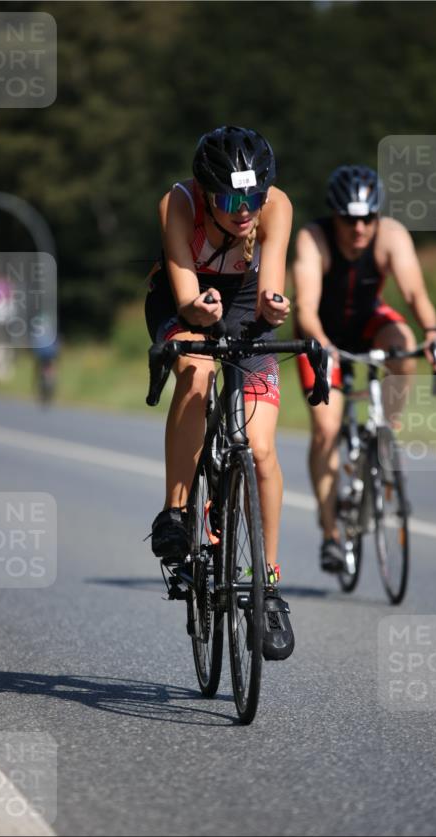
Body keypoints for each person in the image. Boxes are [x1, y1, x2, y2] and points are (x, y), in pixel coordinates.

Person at [145, 126, 296, 659]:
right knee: (196, 370)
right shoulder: (179, 203)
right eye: (232, 199)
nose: (245, 209)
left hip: (243, 302)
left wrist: (274, 308)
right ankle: (177, 512)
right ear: (207, 190)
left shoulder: (276, 206)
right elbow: (186, 295)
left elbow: (271, 286)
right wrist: (197, 316)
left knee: (259, 450)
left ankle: (268, 586)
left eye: (253, 197)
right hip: (183, 299)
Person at [293, 164, 436, 573]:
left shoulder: (391, 236)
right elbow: (306, 308)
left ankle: (386, 434)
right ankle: (331, 534)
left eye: (368, 217)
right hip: (322, 333)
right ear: (335, 215)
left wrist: (432, 333)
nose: (360, 227)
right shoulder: (314, 239)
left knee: (403, 343)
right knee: (327, 430)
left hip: (366, 324)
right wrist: (323, 346)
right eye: (349, 218)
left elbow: (414, 290)